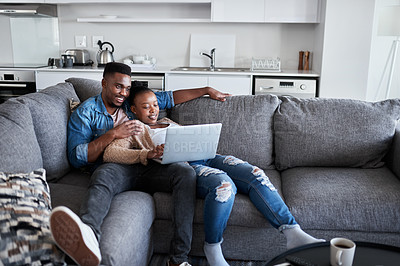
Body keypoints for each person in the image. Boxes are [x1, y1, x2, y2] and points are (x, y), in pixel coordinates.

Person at [103, 86, 325, 266]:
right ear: (133, 109)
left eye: (155, 104)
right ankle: (212, 248)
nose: (152, 110)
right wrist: (147, 153)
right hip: (186, 166)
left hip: (207, 155)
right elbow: (111, 152)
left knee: (255, 172)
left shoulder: (168, 121)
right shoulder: (134, 129)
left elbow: (184, 126)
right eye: (145, 106)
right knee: (224, 186)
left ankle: (292, 233)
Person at [49, 62, 231, 266]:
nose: (123, 93)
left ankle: (179, 259)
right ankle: (88, 236)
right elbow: (76, 158)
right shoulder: (85, 113)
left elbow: (170, 98)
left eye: (126, 88)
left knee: (185, 172)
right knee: (103, 174)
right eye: (118, 86)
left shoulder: (132, 101)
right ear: (104, 83)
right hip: (115, 165)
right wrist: (112, 134)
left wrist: (206, 89)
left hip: (149, 163)